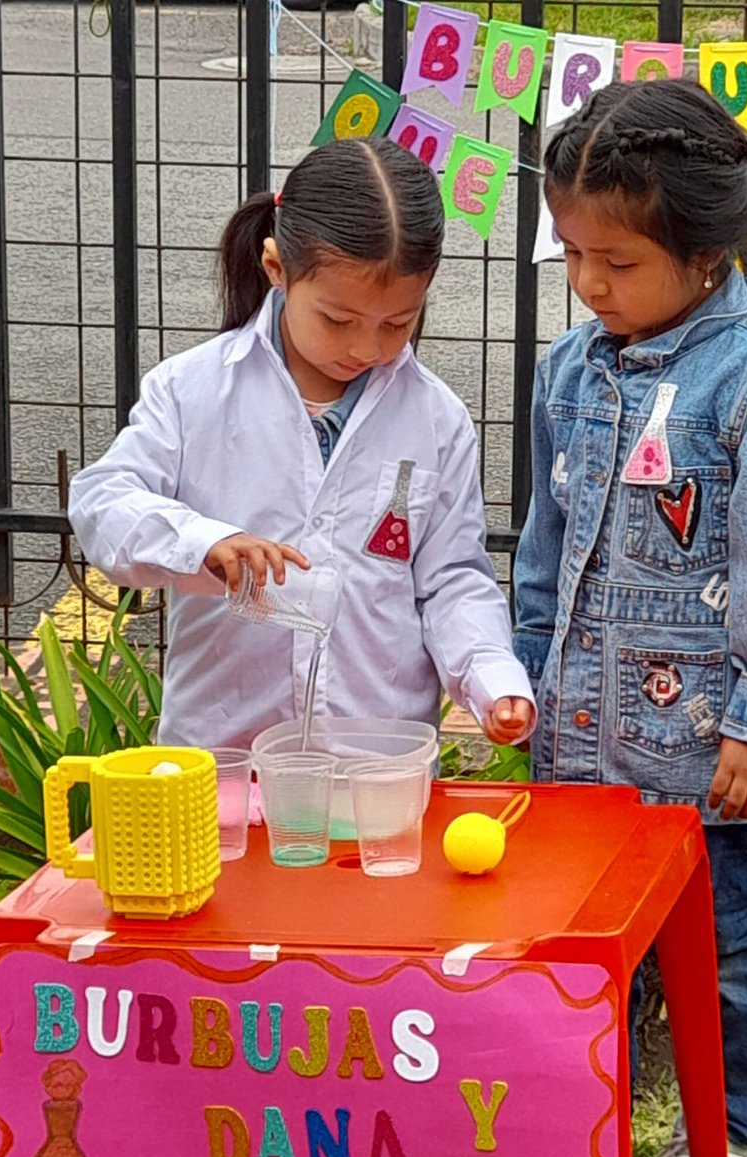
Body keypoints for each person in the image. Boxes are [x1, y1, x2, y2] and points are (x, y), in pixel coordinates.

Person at [513, 79, 747, 1157]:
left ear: (705, 252)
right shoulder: (570, 372)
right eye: (572, 254)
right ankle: (581, 1112)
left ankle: (736, 1134)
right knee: (579, 950)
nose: (588, 284)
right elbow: (544, 551)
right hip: (579, 747)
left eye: (617, 263)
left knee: (729, 957)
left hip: (709, 763)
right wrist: (525, 675)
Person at [70, 137, 535, 753]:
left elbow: (451, 579)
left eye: (398, 323)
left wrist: (490, 676)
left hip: (375, 765)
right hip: (227, 761)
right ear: (276, 269)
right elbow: (103, 502)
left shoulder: (435, 418)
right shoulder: (193, 391)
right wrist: (204, 543)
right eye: (338, 320)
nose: (368, 348)